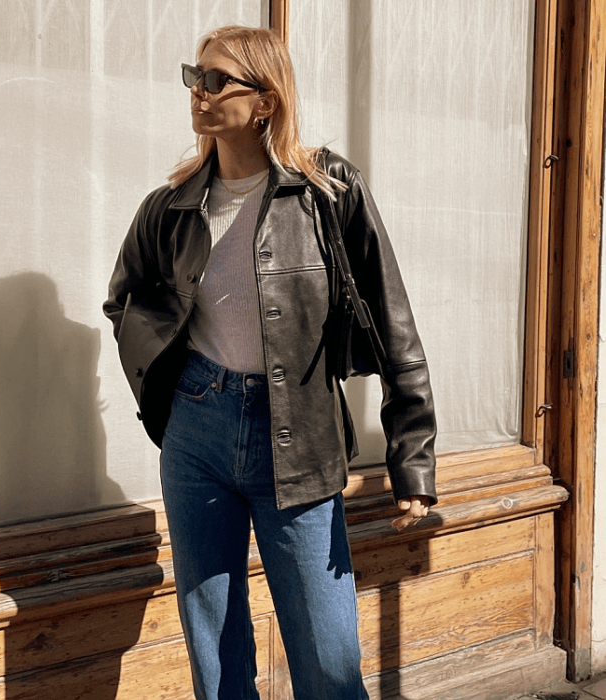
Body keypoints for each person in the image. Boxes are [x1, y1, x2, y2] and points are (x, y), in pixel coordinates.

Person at [104, 25, 436, 700]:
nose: (198, 93)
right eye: (193, 77)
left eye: (216, 79)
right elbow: (125, 302)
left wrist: (413, 459)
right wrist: (169, 392)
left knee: (327, 661)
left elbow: (393, 320)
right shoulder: (170, 207)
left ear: (264, 100)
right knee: (216, 656)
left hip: (300, 435)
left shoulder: (326, 191)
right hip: (196, 434)